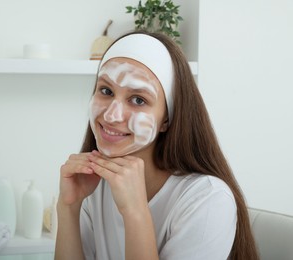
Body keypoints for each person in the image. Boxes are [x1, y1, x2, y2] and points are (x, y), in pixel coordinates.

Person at [55, 31, 259, 260]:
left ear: (166, 119)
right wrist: (68, 208)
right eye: (106, 91)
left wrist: (136, 212)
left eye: (138, 99)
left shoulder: (208, 200)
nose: (111, 115)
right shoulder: (92, 186)